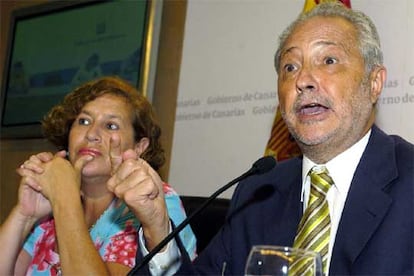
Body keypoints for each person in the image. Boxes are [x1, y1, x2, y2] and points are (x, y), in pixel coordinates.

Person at [126, 2, 414, 275]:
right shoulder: (258, 191)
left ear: (374, 83)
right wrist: (157, 226)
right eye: (290, 67)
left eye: (328, 60)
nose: (303, 80)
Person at [0, 76, 196, 275]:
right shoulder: (48, 214)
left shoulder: (154, 201)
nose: (91, 133)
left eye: (111, 125)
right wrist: (25, 214)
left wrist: (64, 198)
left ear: (139, 147)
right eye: (83, 121)